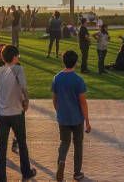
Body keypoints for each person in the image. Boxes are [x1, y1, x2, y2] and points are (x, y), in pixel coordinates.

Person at [0, 45, 37, 181]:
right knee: (22, 143)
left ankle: (1, 177)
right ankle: (26, 172)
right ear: (14, 56)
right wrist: (27, 100)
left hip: (2, 113)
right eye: (17, 56)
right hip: (16, 113)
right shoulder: (19, 69)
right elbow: (24, 87)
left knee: (2, 147)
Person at [51, 50, 91, 182]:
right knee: (78, 145)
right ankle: (77, 173)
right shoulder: (78, 80)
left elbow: (54, 99)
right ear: (76, 62)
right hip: (77, 119)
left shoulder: (57, 78)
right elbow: (83, 103)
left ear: (64, 61)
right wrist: (87, 121)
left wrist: (59, 111)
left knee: (64, 142)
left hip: (63, 118)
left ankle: (61, 162)